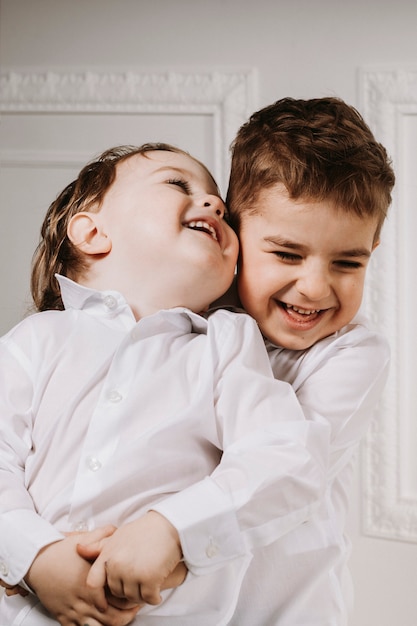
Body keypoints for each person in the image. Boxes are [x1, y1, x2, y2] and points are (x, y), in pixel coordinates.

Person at [76, 97, 395, 626]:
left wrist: (169, 530)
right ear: (235, 232)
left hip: (282, 612)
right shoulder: (186, 321)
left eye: (347, 262)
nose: (315, 287)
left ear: (372, 251)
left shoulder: (352, 353)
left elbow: (289, 467)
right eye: (287, 254)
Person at [0, 143, 325, 626]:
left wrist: (172, 529)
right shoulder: (37, 339)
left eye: (221, 206)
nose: (216, 205)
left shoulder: (226, 344)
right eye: (179, 184)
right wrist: (36, 554)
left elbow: (282, 458)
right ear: (92, 232)